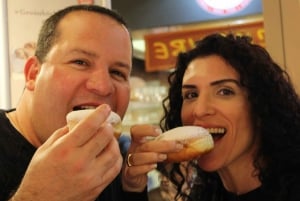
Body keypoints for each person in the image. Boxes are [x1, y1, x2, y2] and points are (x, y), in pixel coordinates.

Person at [0, 5, 182, 201]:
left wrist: (130, 188)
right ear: (33, 74)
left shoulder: (114, 154)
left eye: (117, 73)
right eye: (80, 62)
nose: (103, 87)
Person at [158, 33, 300, 201]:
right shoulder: (205, 193)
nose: (199, 110)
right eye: (191, 95)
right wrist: (133, 187)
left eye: (225, 91)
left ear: (260, 104)